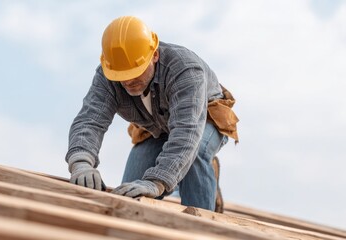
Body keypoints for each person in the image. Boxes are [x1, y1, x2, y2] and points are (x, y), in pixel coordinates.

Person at [65, 16, 238, 211]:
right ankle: (182, 179)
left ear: (154, 55)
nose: (128, 81)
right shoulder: (109, 73)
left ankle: (201, 218)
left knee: (194, 154)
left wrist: (157, 182)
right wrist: (81, 162)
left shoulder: (185, 70)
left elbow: (186, 133)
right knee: (131, 193)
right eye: (122, 75)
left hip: (204, 120)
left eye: (135, 72)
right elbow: (90, 120)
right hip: (156, 127)